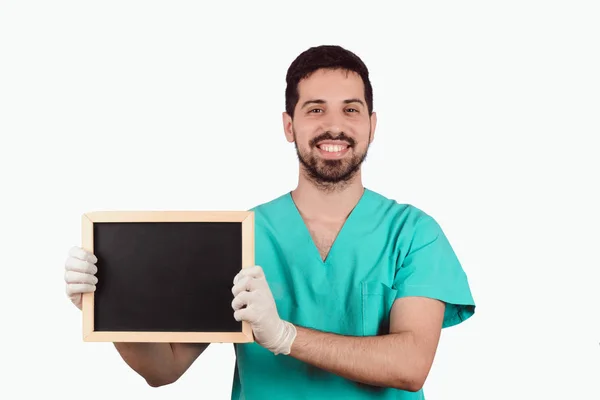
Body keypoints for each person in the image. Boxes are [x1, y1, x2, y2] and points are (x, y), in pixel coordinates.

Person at [64, 45, 475, 399]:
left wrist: (284, 336)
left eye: (351, 109)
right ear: (288, 125)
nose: (335, 125)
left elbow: (411, 364)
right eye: (316, 109)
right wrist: (111, 307)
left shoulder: (414, 233)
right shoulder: (242, 236)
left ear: (372, 124)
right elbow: (163, 369)